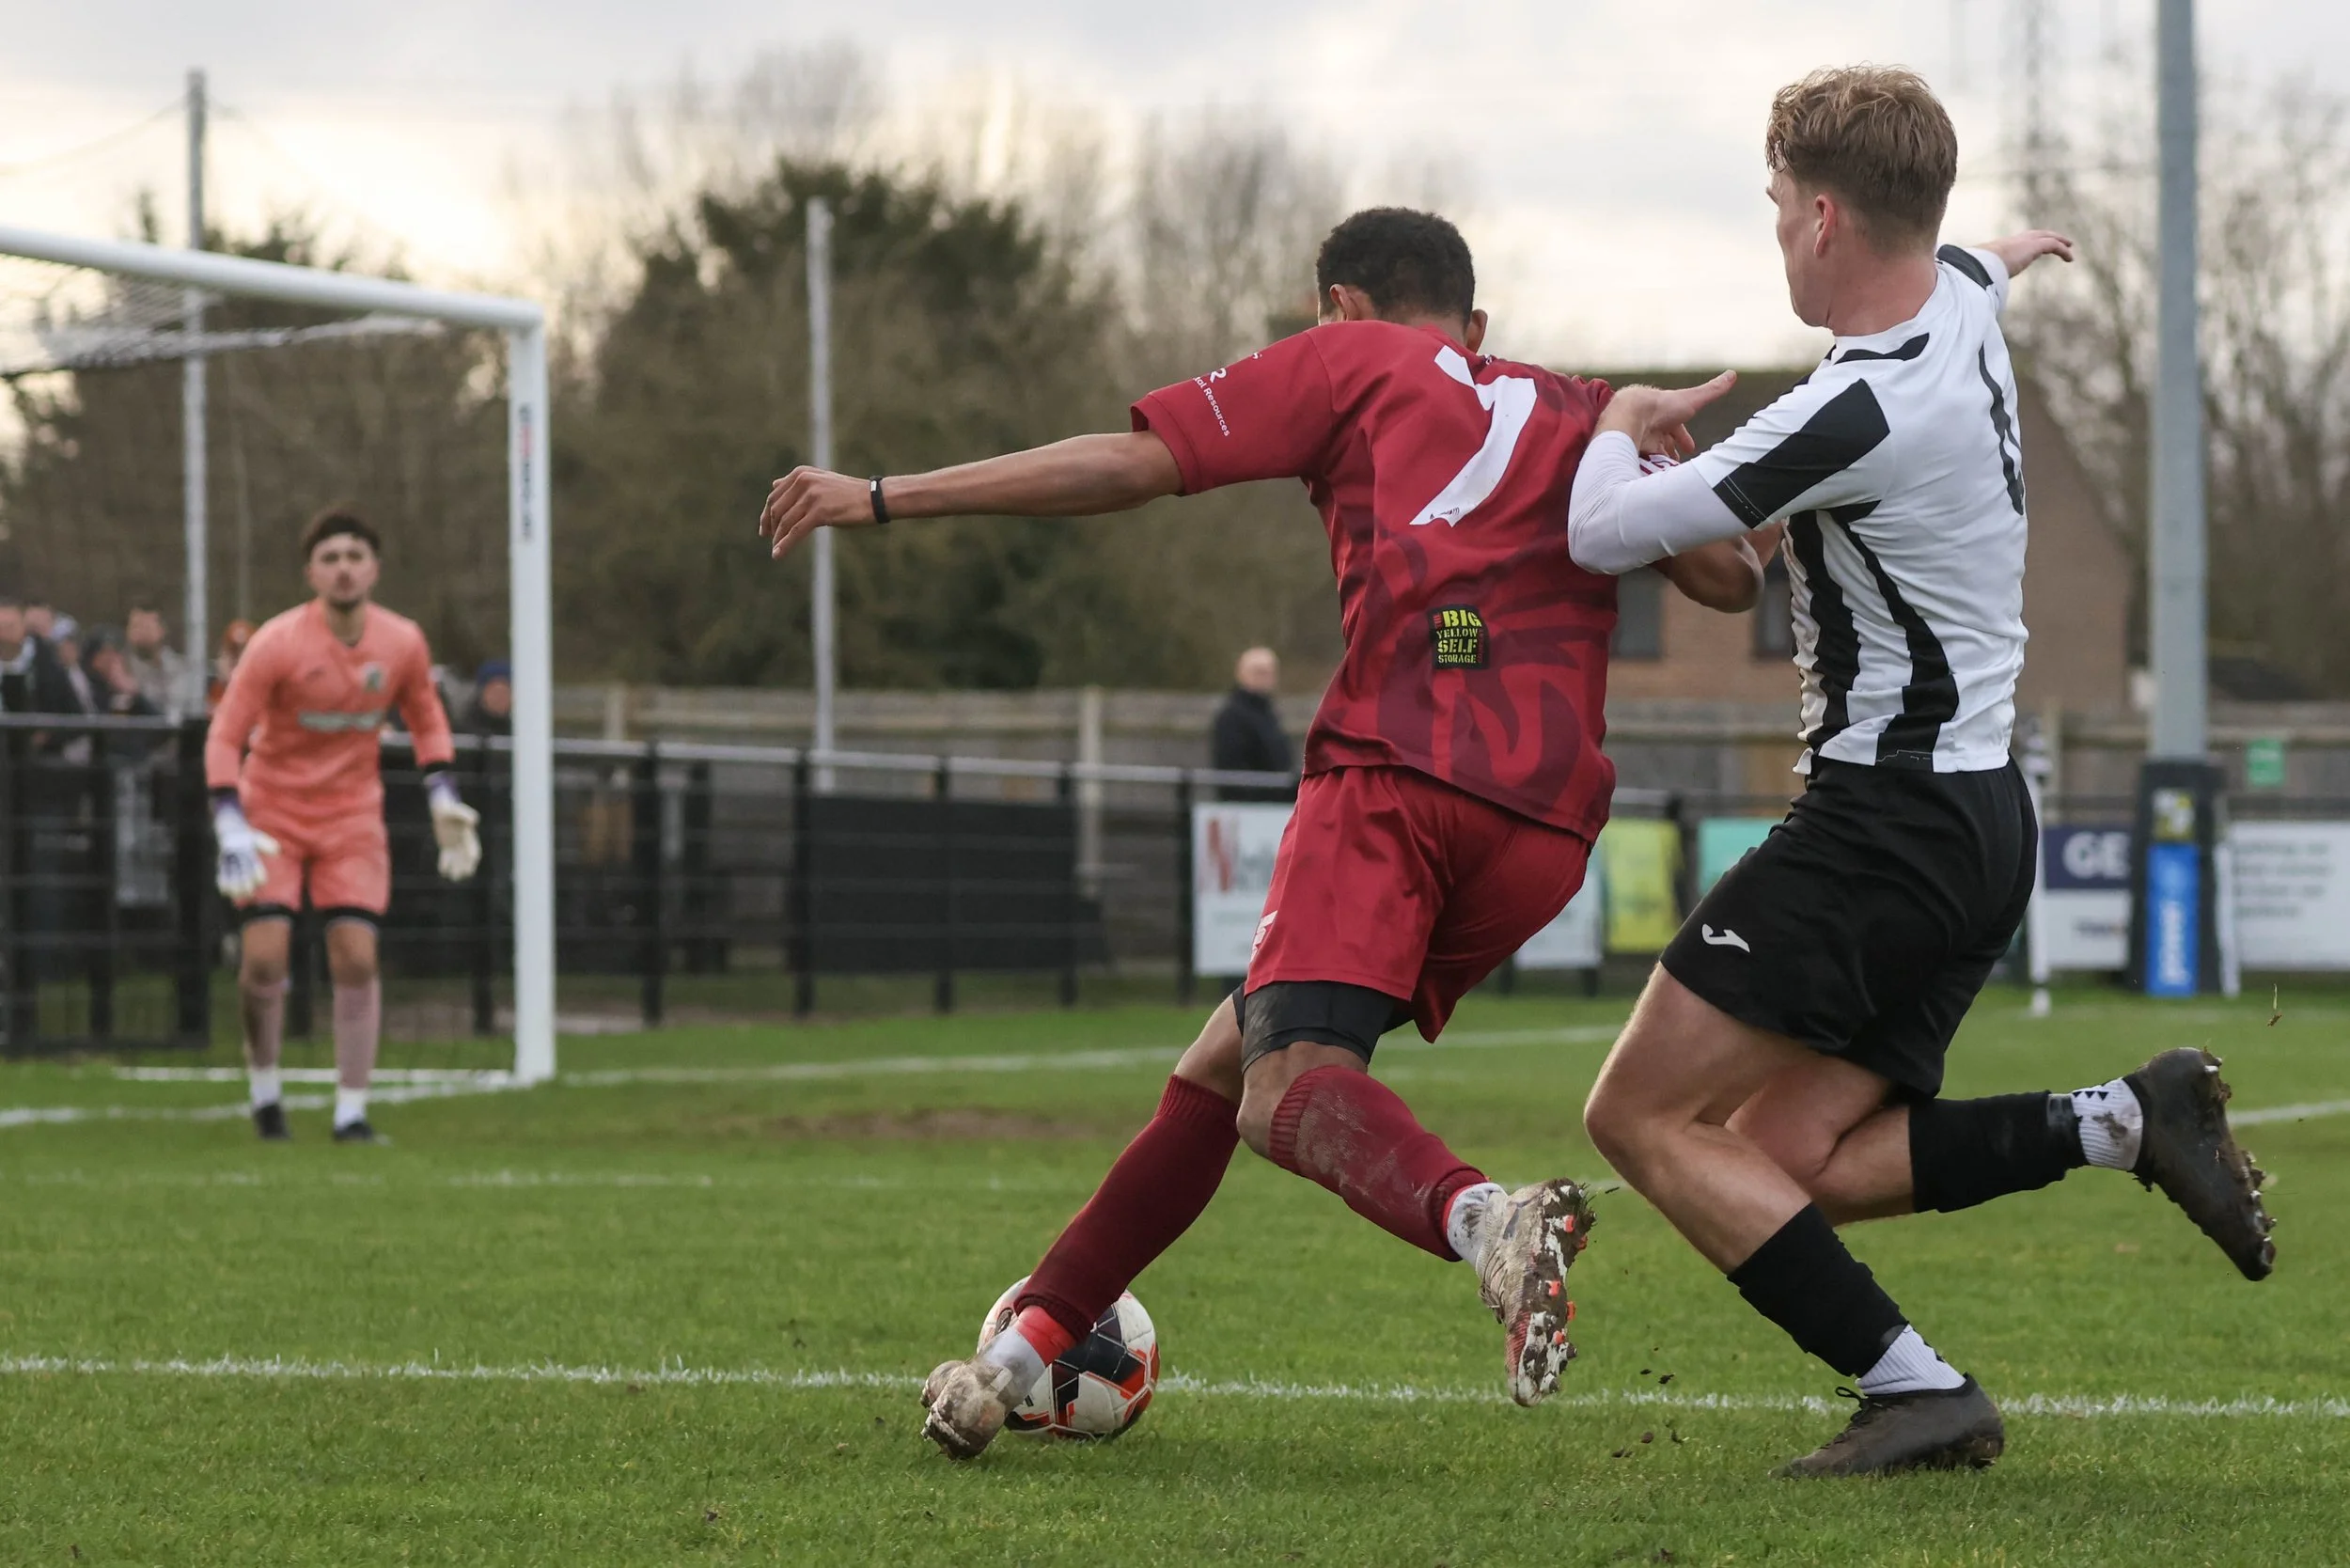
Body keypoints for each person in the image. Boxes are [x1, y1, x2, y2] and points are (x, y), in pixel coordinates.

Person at [760, 207, 1777, 1459]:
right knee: (1221, 1068)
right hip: (1545, 829)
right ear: (1475, 324)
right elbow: (1730, 578)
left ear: (1337, 308)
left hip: (1399, 776)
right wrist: (1683, 465)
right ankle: (1013, 1363)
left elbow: (1130, 463)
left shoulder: (1351, 360)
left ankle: (1489, 1223)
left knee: (1283, 1089)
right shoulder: (1579, 411)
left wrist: (882, 496)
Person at [1566, 67, 2273, 1479]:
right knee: (1786, 1162)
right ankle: (2118, 1121)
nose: (1777, 230)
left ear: (1827, 217)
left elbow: (1598, 535)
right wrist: (2021, 247)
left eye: (1779, 205)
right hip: (1982, 821)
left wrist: (1615, 421)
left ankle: (1918, 1388)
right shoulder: (1956, 295)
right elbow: (1981, 257)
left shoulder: (1856, 405)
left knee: (1636, 1115)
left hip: (1879, 828)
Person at [205, 510, 483, 1143]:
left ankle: (351, 1113)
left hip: (352, 814)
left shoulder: (403, 642)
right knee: (264, 958)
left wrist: (443, 795)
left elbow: (427, 718)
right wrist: (229, 818)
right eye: (330, 558)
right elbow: (225, 734)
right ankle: (266, 1095)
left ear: (375, 569)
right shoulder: (277, 643)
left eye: (355, 556)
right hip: (272, 811)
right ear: (311, 573)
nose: (344, 568)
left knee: (356, 956)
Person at [1209, 647, 1293, 801]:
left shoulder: (1269, 714)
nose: (1265, 678)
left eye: (1270, 672)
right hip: (1249, 805)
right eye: (1259, 672)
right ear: (1241, 673)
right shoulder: (1231, 717)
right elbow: (1232, 771)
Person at [123, 604, 190, 721]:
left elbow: (175, 715)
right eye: (135, 627)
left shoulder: (178, 669)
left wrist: (137, 693)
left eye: (146, 627)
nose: (140, 633)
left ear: (161, 631)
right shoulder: (122, 666)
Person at [462, 659, 513, 738]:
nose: (499, 698)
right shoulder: (464, 729)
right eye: (495, 692)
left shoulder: (520, 727)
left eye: (505, 693)